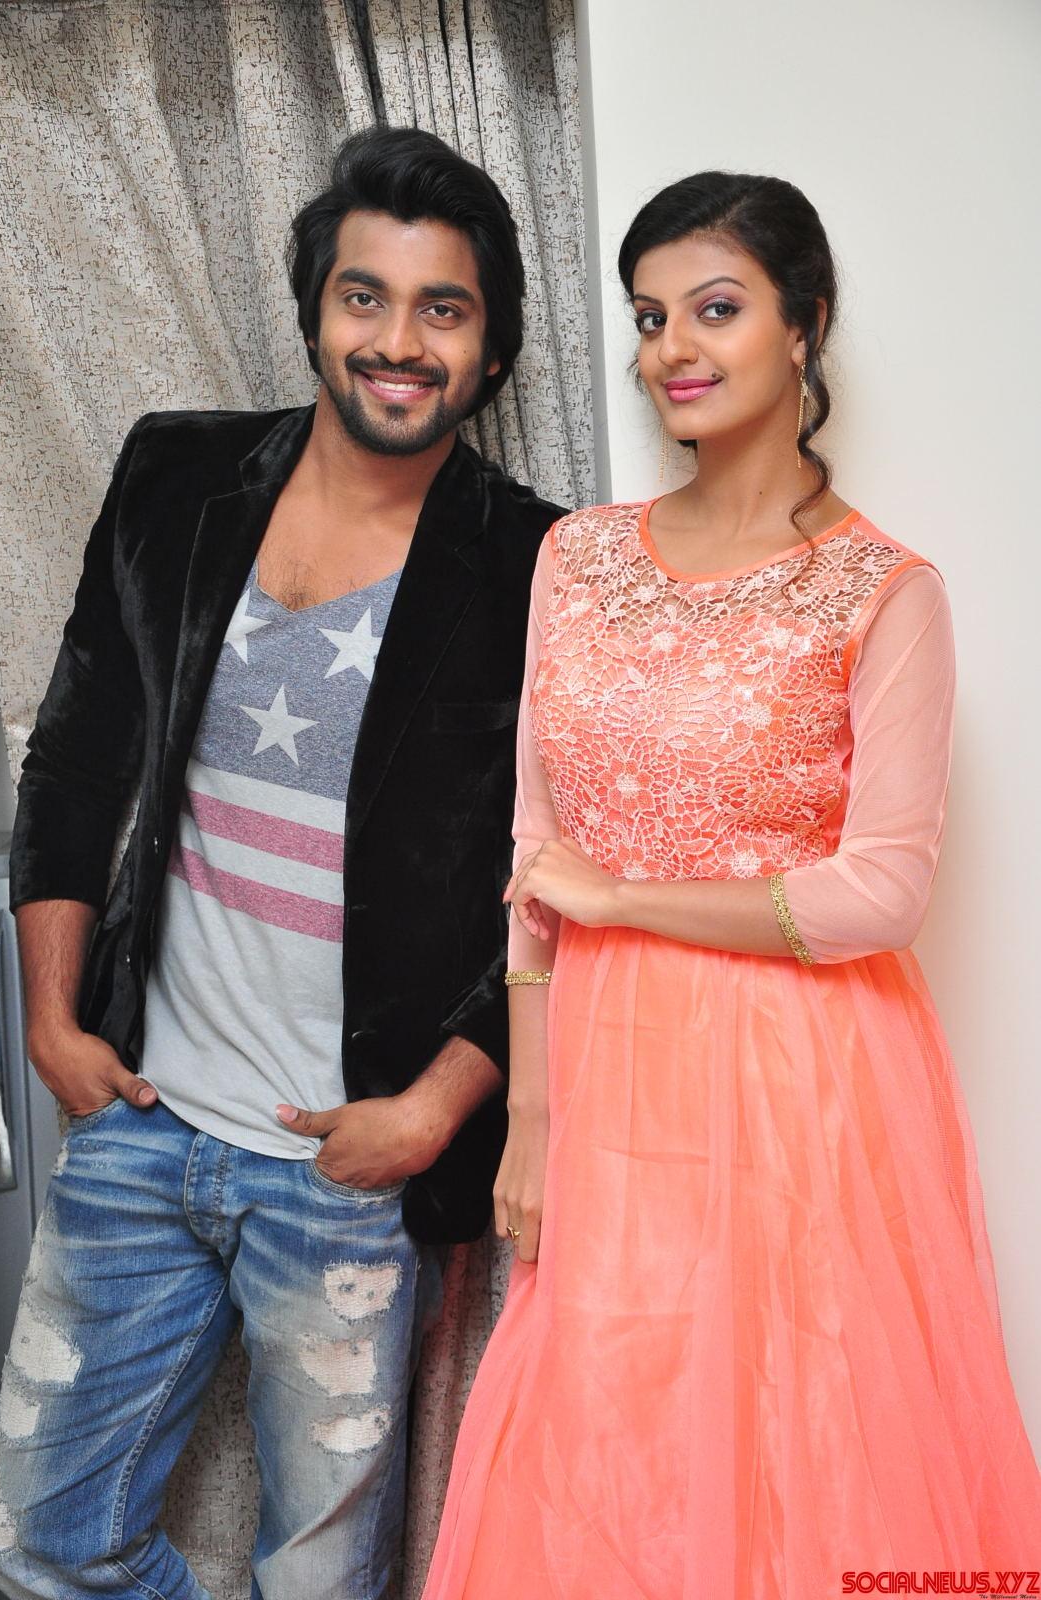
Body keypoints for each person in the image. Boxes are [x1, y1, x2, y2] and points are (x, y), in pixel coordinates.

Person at [422, 171, 1041, 1598]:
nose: (671, 351)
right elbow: (534, 855)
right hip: (607, 1080)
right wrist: (530, 1119)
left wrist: (623, 899)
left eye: (714, 310)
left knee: (801, 1445)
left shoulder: (883, 590)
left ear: (802, 327)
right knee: (609, 1451)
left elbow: (880, 895)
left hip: (802, 1083)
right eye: (648, 318)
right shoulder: (577, 560)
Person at [0, 127, 563, 1600]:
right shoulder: (175, 474)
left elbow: (558, 885)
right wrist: (51, 1020)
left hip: (347, 1169)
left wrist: (432, 1108)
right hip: (142, 1121)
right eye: (365, 296)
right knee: (34, 1541)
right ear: (315, 312)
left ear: (491, 350)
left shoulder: (537, 568)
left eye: (443, 309)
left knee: (318, 1582)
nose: (398, 342)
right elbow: (77, 756)